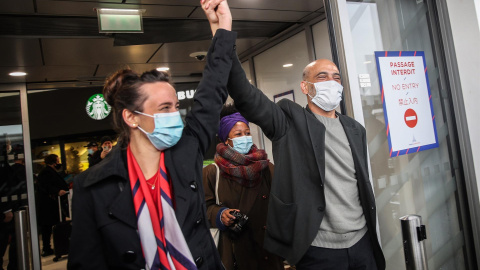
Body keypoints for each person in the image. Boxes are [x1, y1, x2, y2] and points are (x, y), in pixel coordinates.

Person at [205, 4, 386, 269]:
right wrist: (221, 30)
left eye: (336, 77)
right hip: (319, 250)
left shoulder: (354, 128)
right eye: (322, 76)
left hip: (363, 243)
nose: (332, 82)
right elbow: (243, 92)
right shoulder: (288, 121)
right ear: (306, 86)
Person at [67, 0, 235, 268]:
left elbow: (212, 89)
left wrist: (221, 27)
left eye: (176, 107)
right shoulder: (93, 187)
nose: (174, 115)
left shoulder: (186, 150)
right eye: (164, 108)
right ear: (131, 117)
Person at [203, 105, 283, 270]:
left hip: (268, 250)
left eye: (247, 133)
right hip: (234, 252)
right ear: (226, 139)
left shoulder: (265, 167)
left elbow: (283, 199)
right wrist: (220, 214)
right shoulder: (212, 172)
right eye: (238, 134)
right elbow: (202, 208)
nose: (245, 138)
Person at [36, 154, 69, 257]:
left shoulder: (49, 172)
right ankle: (48, 248)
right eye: (57, 160)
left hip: (51, 204)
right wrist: (57, 191)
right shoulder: (46, 172)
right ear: (53, 162)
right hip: (48, 205)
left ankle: (52, 247)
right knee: (48, 227)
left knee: (49, 226)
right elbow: (46, 186)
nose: (59, 162)